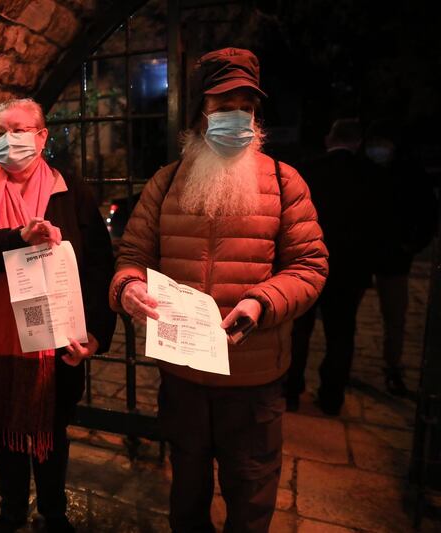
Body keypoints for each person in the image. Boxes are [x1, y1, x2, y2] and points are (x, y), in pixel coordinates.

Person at [108, 48, 328, 532]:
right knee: (186, 489)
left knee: (250, 493)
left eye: (244, 107)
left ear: (256, 115)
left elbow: (310, 267)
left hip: (252, 382)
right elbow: (132, 259)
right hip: (183, 376)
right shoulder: (166, 184)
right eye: (221, 106)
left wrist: (261, 301)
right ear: (200, 115)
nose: (233, 117)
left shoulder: (283, 182)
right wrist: (126, 289)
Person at [0, 98, 116, 533]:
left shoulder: (70, 194)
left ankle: (53, 512)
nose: (7, 139)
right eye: (0, 131)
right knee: (4, 431)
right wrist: (15, 238)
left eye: (18, 130)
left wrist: (94, 333)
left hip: (55, 340)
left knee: (52, 435)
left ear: (41, 137)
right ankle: (12, 510)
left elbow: (96, 266)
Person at [286, 119, 382, 413]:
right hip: (350, 269)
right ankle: (331, 397)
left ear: (330, 138)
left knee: (299, 330)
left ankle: (290, 391)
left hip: (306, 263)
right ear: (358, 142)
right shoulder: (373, 175)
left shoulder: (308, 170)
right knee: (341, 334)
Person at [365, 120, 438, 396]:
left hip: (395, 258)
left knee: (395, 317)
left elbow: (429, 214)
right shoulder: (364, 170)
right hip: (362, 256)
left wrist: (412, 246)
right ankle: (341, 369)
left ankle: (392, 367)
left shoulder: (409, 174)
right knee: (346, 317)